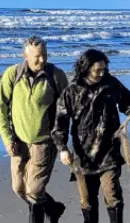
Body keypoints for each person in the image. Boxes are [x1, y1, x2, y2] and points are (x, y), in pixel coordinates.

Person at [51, 49, 130, 223]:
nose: (101, 73)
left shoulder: (111, 84)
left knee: (113, 195)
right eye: (97, 70)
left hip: (109, 151)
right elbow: (60, 122)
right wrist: (62, 149)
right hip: (83, 155)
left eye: (104, 69)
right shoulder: (71, 91)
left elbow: (127, 100)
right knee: (87, 200)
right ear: (86, 68)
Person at [0, 35, 69, 223]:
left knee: (34, 191)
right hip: (18, 142)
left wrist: (63, 145)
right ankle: (53, 208)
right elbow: (1, 106)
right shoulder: (12, 74)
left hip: (44, 143)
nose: (42, 59)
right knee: (19, 188)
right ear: (25, 56)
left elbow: (66, 110)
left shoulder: (56, 76)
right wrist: (7, 139)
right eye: (37, 56)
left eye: (44, 55)